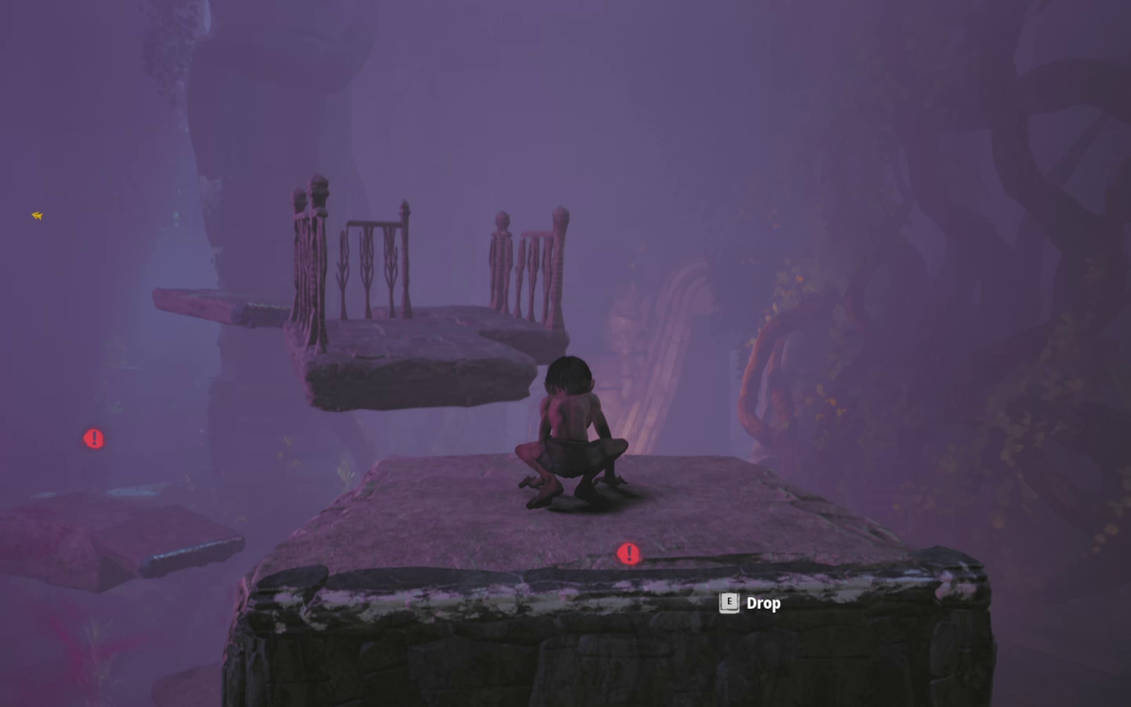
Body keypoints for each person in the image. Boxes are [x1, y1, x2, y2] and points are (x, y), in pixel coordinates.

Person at [514, 356, 629, 509]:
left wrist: (542, 474)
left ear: (550, 387)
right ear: (590, 384)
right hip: (583, 460)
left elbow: (543, 438)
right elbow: (604, 434)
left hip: (556, 460)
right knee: (621, 444)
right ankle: (585, 484)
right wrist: (609, 475)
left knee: (521, 449)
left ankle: (549, 480)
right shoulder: (591, 400)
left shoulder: (548, 401)